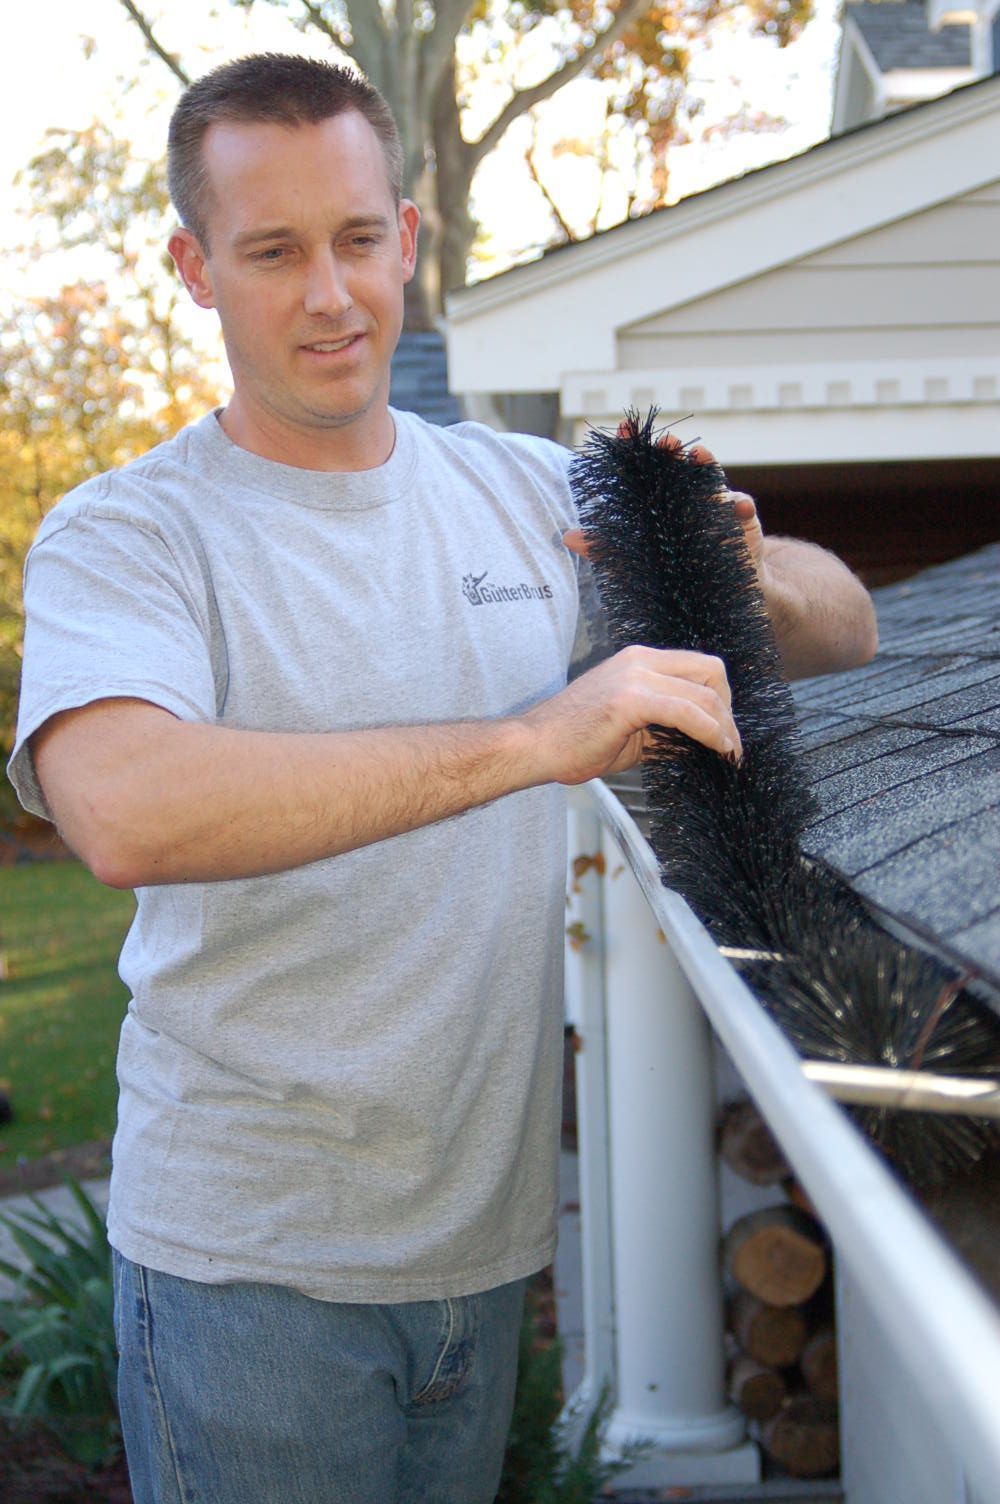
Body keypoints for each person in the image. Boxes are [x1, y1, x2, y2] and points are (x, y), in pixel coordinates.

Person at [8, 54, 877, 1504]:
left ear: (408, 236)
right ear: (193, 266)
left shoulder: (528, 497)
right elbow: (124, 808)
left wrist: (744, 575)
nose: (331, 295)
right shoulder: (132, 538)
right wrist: (537, 739)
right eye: (273, 252)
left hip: (482, 1248)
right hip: (253, 1268)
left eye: (357, 240)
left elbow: (844, 625)